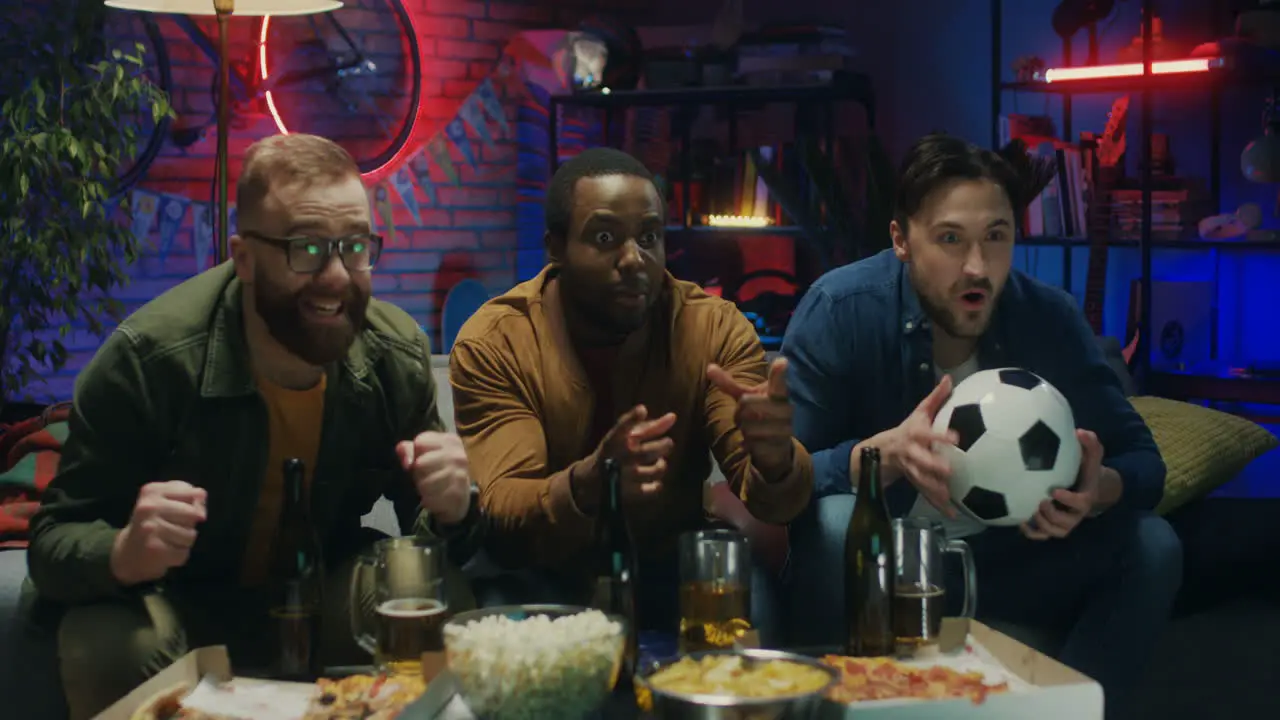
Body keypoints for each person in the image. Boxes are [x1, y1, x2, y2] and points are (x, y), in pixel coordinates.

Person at [23, 134, 482, 720]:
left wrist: (454, 510)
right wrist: (123, 551)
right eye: (307, 249)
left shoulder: (395, 355)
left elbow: (432, 534)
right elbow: (52, 540)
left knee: (441, 595)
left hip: (322, 600)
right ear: (243, 258)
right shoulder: (150, 361)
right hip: (179, 607)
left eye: (356, 246)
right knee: (107, 640)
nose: (338, 276)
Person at [781, 133, 1181, 719]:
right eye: (950, 239)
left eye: (996, 237)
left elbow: (1144, 464)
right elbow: (779, 482)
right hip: (887, 563)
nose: (977, 266)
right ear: (900, 239)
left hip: (1009, 560)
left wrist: (1098, 492)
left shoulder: (1049, 317)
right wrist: (878, 458)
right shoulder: (841, 310)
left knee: (1153, 544)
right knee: (839, 519)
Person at [449, 147, 813, 645]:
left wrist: (776, 462)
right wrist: (590, 482)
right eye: (604, 238)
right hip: (543, 569)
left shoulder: (711, 327)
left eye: (649, 237)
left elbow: (772, 500)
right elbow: (506, 508)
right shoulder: (496, 339)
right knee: (493, 624)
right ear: (556, 247)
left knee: (756, 604)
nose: (633, 259)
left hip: (668, 559)